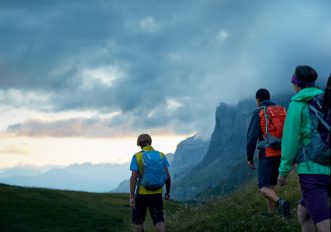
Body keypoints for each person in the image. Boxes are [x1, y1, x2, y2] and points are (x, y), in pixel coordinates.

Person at [278, 65, 330, 232]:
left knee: (322, 221)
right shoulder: (325, 99)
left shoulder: (297, 104)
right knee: (304, 213)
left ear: (296, 83)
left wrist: (283, 172)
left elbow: (290, 141)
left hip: (313, 170)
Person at [246, 88, 290, 217]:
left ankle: (280, 202)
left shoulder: (259, 112)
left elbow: (252, 137)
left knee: (263, 187)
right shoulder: (282, 110)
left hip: (268, 153)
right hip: (281, 153)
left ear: (257, 100)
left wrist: (249, 157)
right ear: (269, 98)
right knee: (270, 184)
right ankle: (271, 214)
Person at [130, 134, 171, 232]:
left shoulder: (137, 156)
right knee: (159, 221)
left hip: (141, 194)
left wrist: (132, 197)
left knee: (139, 221)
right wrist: (168, 192)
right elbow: (168, 177)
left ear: (139, 144)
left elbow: (133, 178)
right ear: (150, 142)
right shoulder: (161, 155)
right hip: (157, 194)